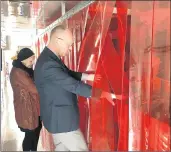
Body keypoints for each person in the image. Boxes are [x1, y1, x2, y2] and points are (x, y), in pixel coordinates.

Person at [34, 25, 120, 151]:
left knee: (61, 148)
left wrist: (87, 76)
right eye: (68, 45)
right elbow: (71, 84)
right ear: (58, 40)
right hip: (62, 121)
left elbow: (66, 73)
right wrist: (103, 94)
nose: (69, 49)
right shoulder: (48, 63)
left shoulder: (49, 58)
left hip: (57, 119)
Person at [10, 48, 42, 151]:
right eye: (30, 60)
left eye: (33, 60)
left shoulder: (25, 69)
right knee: (30, 135)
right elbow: (35, 89)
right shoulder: (19, 72)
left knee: (34, 133)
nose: (32, 63)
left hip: (32, 107)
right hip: (26, 109)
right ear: (23, 60)